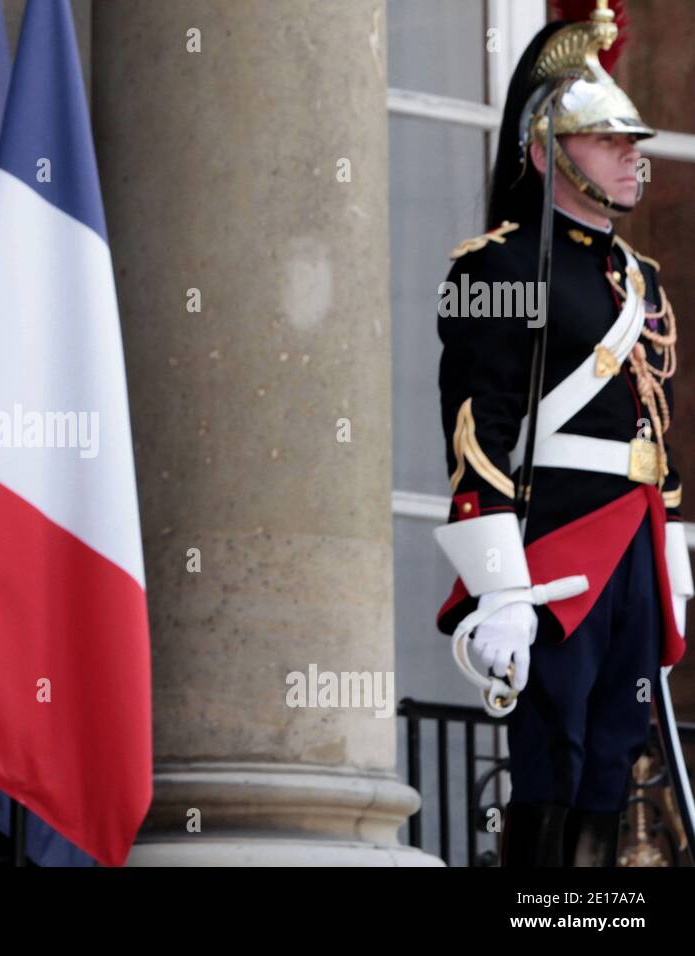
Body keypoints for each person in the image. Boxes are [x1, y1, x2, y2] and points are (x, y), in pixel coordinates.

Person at [433, 1, 690, 867]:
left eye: (632, 140)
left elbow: (656, 425)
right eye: (608, 139)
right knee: (556, 757)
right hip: (557, 551)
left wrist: (676, 560)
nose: (632, 155)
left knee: (616, 761)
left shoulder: (639, 278)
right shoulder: (495, 266)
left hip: (636, 549)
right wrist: (499, 586)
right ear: (548, 150)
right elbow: (477, 429)